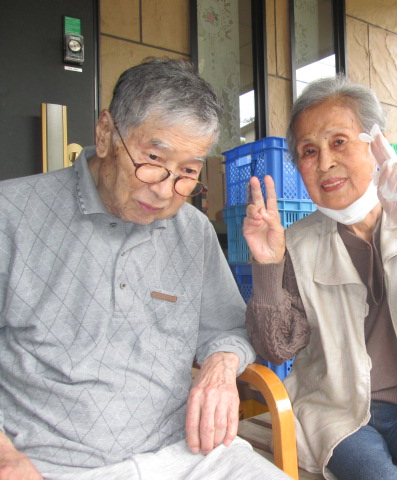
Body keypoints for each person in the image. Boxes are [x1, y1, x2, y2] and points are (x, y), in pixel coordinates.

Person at [0, 58, 291, 480]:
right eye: (154, 158)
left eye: (187, 171)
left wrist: (221, 366)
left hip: (185, 456)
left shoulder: (192, 231)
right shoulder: (11, 214)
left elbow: (227, 328)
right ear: (106, 134)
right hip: (52, 467)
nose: (165, 191)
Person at [243, 75, 397, 480]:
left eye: (339, 142)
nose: (325, 163)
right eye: (309, 151)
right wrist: (267, 266)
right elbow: (277, 347)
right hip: (337, 409)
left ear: (374, 143)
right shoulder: (294, 242)